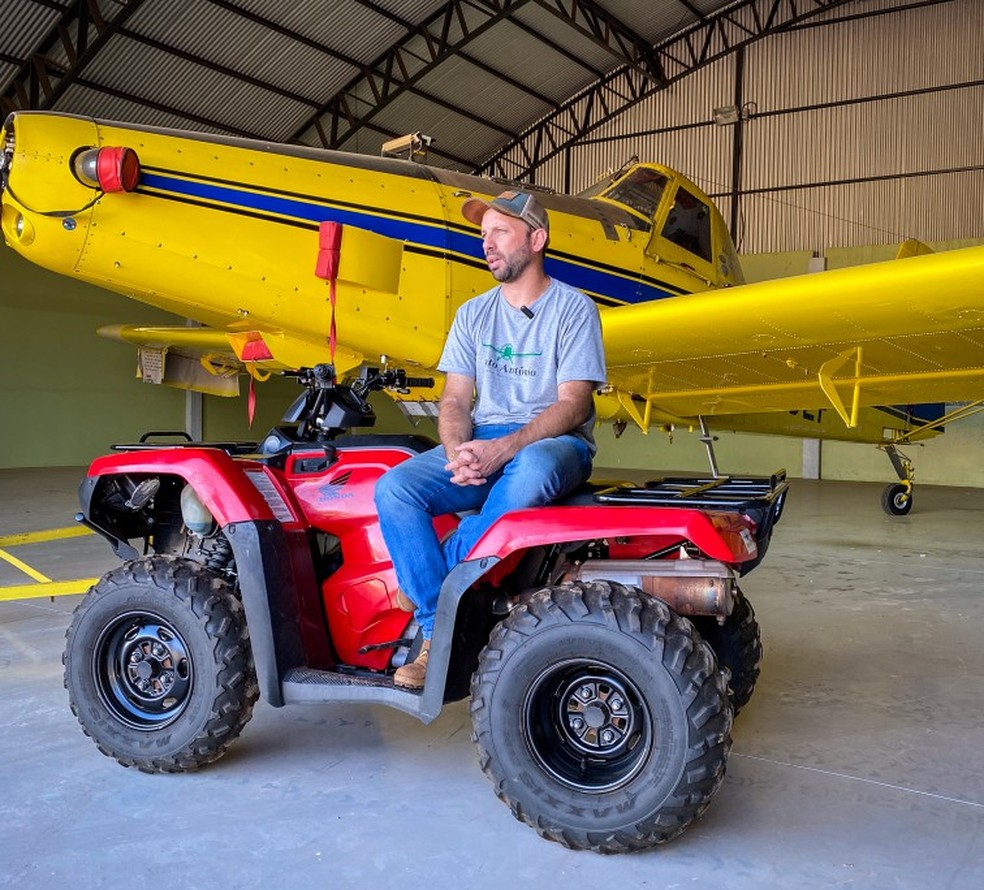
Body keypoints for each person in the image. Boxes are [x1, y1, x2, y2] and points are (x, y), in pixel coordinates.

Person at [374, 188, 607, 689]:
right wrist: (460, 452)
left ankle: (425, 582)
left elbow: (573, 405)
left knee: (535, 468)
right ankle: (440, 630)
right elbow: (455, 399)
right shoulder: (472, 313)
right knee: (394, 488)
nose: (488, 243)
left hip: (554, 443)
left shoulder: (574, 309)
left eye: (500, 231)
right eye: (484, 234)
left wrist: (505, 447)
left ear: (537, 238)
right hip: (482, 439)